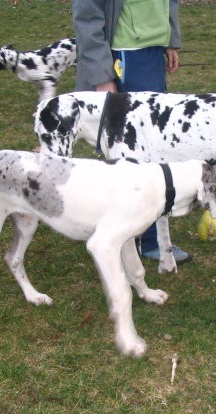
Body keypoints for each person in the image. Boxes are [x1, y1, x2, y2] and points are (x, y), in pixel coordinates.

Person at [72, 0, 192, 265]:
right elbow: (87, 14)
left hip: (151, 54)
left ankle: (144, 235)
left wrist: (170, 39)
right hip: (125, 55)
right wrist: (102, 73)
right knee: (130, 153)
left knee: (155, 146)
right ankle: (136, 237)